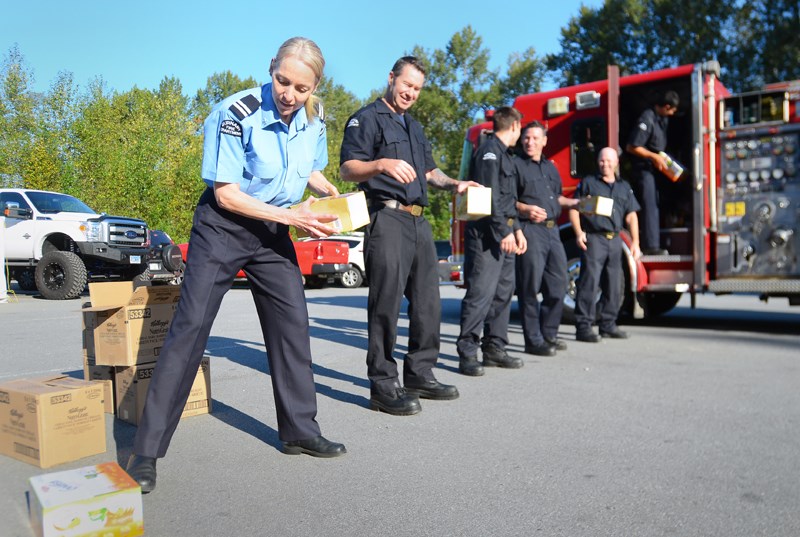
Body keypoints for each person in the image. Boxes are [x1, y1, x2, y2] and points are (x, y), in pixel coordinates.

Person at [126, 37, 347, 494]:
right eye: (282, 81)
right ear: (271, 68)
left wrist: (331, 196)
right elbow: (227, 193)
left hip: (272, 233)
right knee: (190, 330)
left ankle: (300, 431)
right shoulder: (235, 112)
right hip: (224, 226)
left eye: (302, 88)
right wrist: (292, 217)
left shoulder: (315, 116)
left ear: (315, 87)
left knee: (293, 325)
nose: (290, 94)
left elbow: (308, 170)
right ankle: (145, 452)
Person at [339, 56, 478, 415]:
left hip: (419, 222)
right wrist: (381, 163)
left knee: (428, 302)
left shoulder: (414, 127)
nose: (411, 93)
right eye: (407, 85)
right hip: (386, 219)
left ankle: (419, 373)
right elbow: (347, 168)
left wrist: (456, 184)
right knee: (385, 304)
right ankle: (383, 385)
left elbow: (430, 172)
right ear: (391, 78)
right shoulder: (366, 118)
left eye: (417, 89)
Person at [456, 107, 527, 376]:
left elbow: (507, 199)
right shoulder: (489, 151)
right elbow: (488, 197)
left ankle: (495, 348)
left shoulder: (505, 155)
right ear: (515, 126)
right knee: (480, 295)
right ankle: (467, 353)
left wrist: (516, 229)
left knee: (502, 295)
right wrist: (504, 231)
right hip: (487, 236)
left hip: (505, 233)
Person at [515, 121, 578, 357]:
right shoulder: (516, 166)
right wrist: (525, 208)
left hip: (553, 232)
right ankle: (533, 340)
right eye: (526, 138)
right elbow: (505, 200)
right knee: (529, 288)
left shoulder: (550, 168)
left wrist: (574, 203)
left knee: (558, 285)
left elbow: (556, 198)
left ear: (544, 141)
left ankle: (549, 333)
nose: (529, 142)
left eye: (534, 138)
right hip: (531, 230)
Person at [569, 147, 641, 342]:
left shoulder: (624, 187)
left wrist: (636, 243)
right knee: (589, 283)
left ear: (616, 162)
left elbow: (632, 215)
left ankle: (608, 324)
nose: (605, 164)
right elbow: (575, 209)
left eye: (609, 161)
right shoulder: (589, 183)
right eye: (602, 160)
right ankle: (583, 327)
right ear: (598, 161)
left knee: (614, 284)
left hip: (615, 239)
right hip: (594, 239)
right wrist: (578, 233)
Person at [625, 90, 679, 256]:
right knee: (649, 206)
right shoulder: (647, 118)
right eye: (672, 110)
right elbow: (631, 146)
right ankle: (651, 247)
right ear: (666, 107)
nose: (672, 114)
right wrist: (653, 156)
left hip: (656, 170)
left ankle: (657, 241)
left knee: (658, 203)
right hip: (644, 170)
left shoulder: (661, 120)